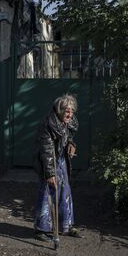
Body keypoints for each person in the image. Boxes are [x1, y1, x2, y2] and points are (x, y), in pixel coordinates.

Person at [33, 93, 81, 242]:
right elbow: (46, 151)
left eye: (72, 111)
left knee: (65, 190)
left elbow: (68, 137)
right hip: (47, 160)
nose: (70, 114)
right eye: (67, 111)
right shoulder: (47, 125)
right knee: (48, 191)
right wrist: (50, 174)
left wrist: (71, 145)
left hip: (60, 159)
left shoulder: (68, 122)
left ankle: (65, 226)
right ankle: (41, 229)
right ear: (60, 110)